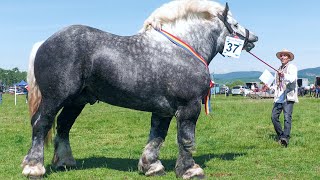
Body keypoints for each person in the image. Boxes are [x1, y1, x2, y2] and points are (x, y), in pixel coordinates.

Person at [271, 49, 298, 147]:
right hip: (278, 97)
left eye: (285, 55)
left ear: (289, 58)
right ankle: (281, 135)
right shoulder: (278, 69)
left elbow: (292, 79)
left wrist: (283, 75)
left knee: (287, 118)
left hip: (288, 96)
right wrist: (271, 87)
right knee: (274, 117)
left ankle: (285, 138)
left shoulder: (292, 67)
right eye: (281, 55)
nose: (282, 57)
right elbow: (276, 83)